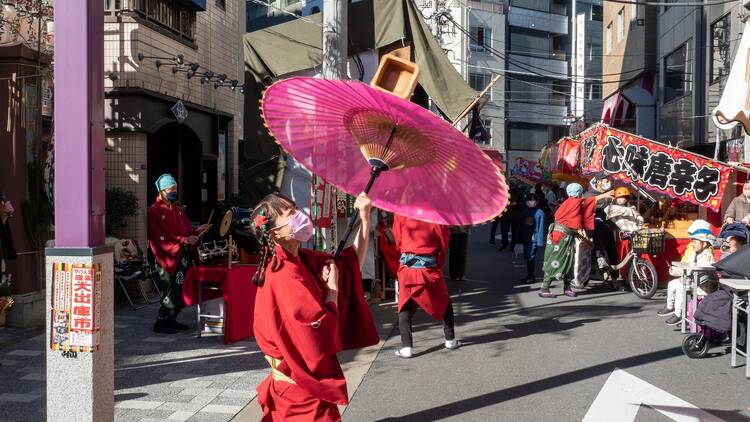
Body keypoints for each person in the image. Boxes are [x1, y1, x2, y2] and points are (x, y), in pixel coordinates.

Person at [250, 192, 378, 421]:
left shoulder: (304, 259)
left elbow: (349, 267)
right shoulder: (283, 274)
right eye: (291, 214)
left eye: (296, 208)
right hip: (299, 380)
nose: (300, 216)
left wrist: (365, 218)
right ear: (275, 233)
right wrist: (332, 291)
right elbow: (315, 334)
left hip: (300, 376)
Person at [147, 174, 209, 334]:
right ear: (161, 191)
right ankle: (160, 322)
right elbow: (161, 236)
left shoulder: (176, 210)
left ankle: (171, 319)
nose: (174, 191)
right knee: (172, 289)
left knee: (183, 287)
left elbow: (187, 230)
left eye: (175, 188)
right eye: (170, 189)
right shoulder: (155, 210)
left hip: (182, 255)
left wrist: (197, 231)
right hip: (166, 257)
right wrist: (184, 239)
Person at [393, 214, 460, 358]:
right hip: (429, 267)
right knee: (444, 301)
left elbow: (397, 240)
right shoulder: (436, 214)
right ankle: (450, 339)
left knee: (404, 305)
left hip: (407, 267)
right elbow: (443, 242)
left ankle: (406, 347)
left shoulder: (402, 212)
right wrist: (439, 263)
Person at [539, 183, 614, 298]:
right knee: (554, 260)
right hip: (560, 237)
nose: (581, 194)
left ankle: (567, 287)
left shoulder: (570, 203)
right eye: (580, 192)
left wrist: (580, 231)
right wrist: (606, 195)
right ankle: (545, 287)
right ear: (578, 193)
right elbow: (591, 200)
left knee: (570, 262)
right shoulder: (574, 202)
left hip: (567, 237)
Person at [657, 220, 716, 326]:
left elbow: (699, 269)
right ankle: (671, 307)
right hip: (692, 281)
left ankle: (679, 314)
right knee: (673, 284)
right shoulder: (693, 253)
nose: (692, 243)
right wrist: (673, 270)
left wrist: (686, 275)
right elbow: (687, 267)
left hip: (702, 286)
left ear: (704, 243)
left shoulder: (707, 255)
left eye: (695, 241)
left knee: (680, 287)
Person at [519, 194, 546, 284]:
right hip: (526, 236)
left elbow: (541, 227)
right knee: (527, 256)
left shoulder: (539, 213)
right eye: (528, 200)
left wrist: (540, 241)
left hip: (533, 237)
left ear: (537, 201)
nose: (530, 201)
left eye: (532, 200)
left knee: (531, 256)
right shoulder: (525, 211)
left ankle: (532, 276)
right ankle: (529, 275)